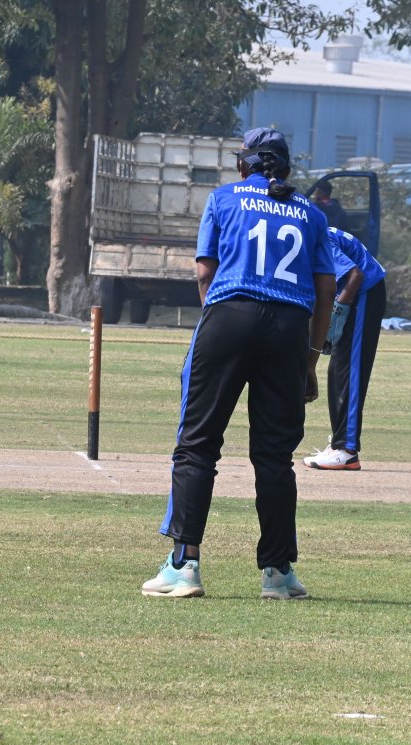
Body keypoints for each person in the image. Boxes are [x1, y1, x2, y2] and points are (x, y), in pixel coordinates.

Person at [140, 128, 336, 600]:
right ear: (285, 167)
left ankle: (184, 565)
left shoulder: (224, 198)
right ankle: (278, 573)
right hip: (289, 326)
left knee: (198, 444)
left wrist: (218, 327)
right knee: (274, 456)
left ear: (244, 164)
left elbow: (205, 272)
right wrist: (311, 359)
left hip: (230, 315)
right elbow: (326, 288)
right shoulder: (312, 213)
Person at [303, 228, 387, 471]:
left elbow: (355, 275)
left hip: (363, 293)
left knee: (349, 368)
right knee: (338, 369)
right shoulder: (310, 230)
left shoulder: (315, 235)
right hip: (355, 293)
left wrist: (337, 312)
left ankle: (346, 449)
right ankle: (340, 443)